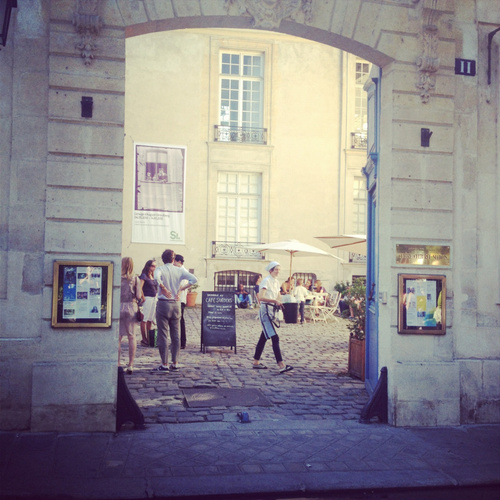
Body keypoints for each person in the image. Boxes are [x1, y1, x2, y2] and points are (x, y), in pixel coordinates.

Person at [154, 249, 197, 372]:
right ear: (173, 259)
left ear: (163, 259)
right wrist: (181, 289)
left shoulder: (160, 269)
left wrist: (163, 288)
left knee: (163, 334)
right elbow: (194, 280)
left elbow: (156, 279)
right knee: (176, 334)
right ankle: (175, 362)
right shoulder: (179, 270)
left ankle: (164, 364)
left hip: (163, 304)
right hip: (176, 304)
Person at [252, 261, 294, 374]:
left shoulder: (276, 281)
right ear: (270, 270)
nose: (278, 271)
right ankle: (281, 365)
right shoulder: (266, 281)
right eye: (276, 269)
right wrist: (274, 301)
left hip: (272, 312)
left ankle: (256, 362)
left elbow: (278, 295)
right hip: (265, 311)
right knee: (275, 337)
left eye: (279, 270)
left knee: (264, 338)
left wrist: (281, 301)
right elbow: (261, 297)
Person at [119, 257, 142, 374]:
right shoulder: (135, 278)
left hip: (118, 307)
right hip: (131, 307)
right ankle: (130, 365)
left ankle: (117, 363)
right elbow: (138, 296)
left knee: (117, 338)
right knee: (131, 336)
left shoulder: (116, 278)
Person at [139, 259, 158, 347]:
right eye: (153, 266)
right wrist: (143, 297)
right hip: (147, 298)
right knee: (144, 318)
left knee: (150, 318)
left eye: (155, 266)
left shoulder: (152, 276)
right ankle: (144, 338)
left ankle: (150, 337)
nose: (154, 268)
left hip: (153, 298)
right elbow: (140, 287)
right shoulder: (144, 275)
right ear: (148, 266)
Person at [173, 254, 188, 349]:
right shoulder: (179, 271)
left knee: (180, 321)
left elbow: (181, 286)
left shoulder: (183, 271)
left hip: (180, 300)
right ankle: (178, 342)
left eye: (174, 261)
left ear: (179, 262)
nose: (173, 264)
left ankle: (182, 342)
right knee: (177, 321)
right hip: (178, 299)